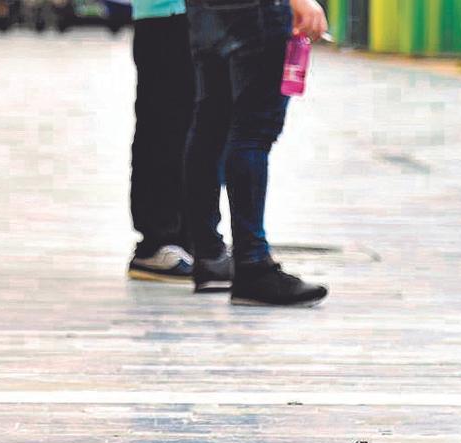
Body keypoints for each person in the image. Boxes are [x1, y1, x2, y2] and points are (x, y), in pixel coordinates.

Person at [182, 0, 329, 305]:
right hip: (258, 10)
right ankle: (253, 266)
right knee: (253, 133)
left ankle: (208, 255)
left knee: (211, 125)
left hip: (204, 8)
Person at [125, 0, 218, 285]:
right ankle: (157, 242)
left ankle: (192, 239)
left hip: (199, 15)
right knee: (164, 128)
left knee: (196, 127)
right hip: (167, 15)